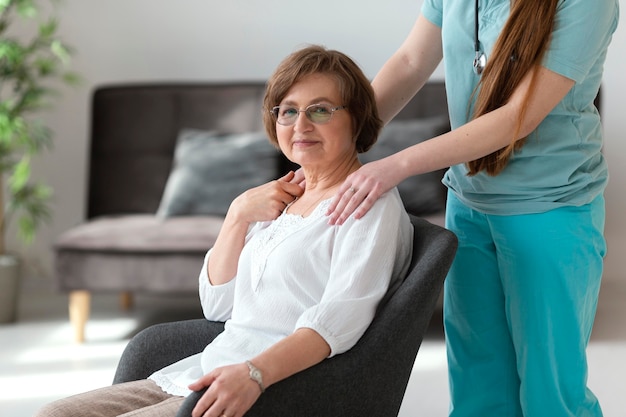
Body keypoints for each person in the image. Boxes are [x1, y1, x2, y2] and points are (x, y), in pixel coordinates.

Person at [33, 45, 413, 417]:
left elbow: (337, 324)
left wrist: (254, 374)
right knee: (55, 413)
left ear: (358, 117)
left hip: (275, 388)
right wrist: (236, 216)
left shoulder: (368, 204)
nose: (300, 125)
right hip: (204, 370)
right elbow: (218, 306)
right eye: (288, 111)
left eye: (320, 110)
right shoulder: (283, 195)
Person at [326, 1, 619, 416]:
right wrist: (340, 148)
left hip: (549, 209)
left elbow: (516, 117)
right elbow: (411, 61)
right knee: (476, 386)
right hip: (468, 204)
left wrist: (396, 165)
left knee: (549, 395)